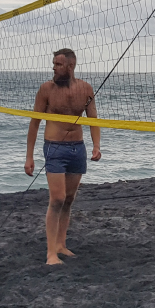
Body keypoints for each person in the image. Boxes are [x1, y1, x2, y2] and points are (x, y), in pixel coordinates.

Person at [24, 48, 102, 265]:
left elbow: (93, 119)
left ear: (70, 66)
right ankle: (51, 253)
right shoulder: (46, 89)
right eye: (53, 64)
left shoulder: (85, 88)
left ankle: (61, 244)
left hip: (78, 147)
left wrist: (97, 145)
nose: (54, 68)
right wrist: (29, 156)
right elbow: (34, 122)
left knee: (68, 199)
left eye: (58, 64)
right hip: (54, 147)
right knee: (57, 199)